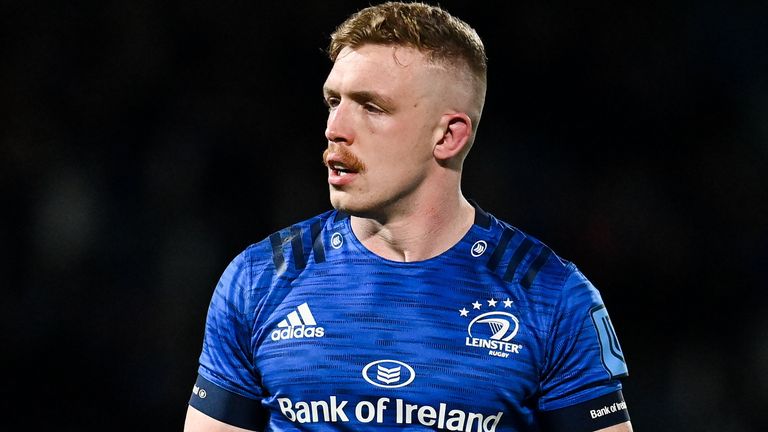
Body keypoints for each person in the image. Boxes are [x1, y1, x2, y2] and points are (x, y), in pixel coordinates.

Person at [184, 2, 633, 431]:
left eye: (372, 107)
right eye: (334, 101)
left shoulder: (551, 296)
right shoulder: (260, 278)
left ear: (449, 136)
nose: (335, 129)